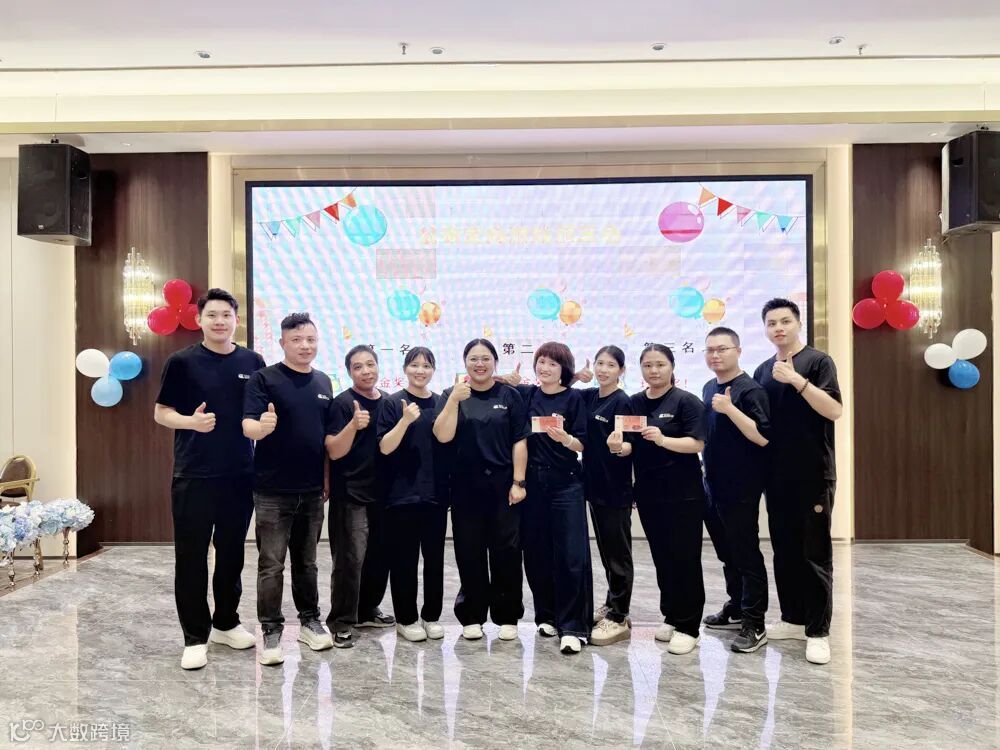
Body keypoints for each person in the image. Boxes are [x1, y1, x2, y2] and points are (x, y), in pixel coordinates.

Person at [154, 288, 265, 671]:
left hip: (239, 473)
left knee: (232, 553)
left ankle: (226, 623)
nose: (220, 321)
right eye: (212, 315)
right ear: (199, 320)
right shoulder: (182, 362)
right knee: (191, 556)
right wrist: (190, 422)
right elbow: (161, 412)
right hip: (193, 474)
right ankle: (194, 637)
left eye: (226, 315)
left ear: (236, 320)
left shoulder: (253, 361)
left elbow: (258, 413)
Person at [753, 298, 843, 666]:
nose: (778, 328)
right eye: (771, 323)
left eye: (785, 321)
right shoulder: (762, 370)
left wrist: (797, 381)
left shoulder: (818, 362)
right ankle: (792, 619)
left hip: (813, 474)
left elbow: (834, 410)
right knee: (785, 551)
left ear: (798, 323)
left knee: (814, 554)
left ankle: (818, 631)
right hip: (776, 477)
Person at [243, 312, 334, 665]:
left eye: (310, 339)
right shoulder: (264, 379)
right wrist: (262, 426)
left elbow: (324, 439)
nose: (304, 346)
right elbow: (248, 426)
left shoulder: (323, 381)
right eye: (296, 340)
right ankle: (270, 629)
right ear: (282, 343)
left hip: (311, 491)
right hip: (272, 491)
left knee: (307, 562)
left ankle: (310, 621)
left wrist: (326, 478)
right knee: (271, 565)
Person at [433, 339, 529, 642]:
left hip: (504, 486)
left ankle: (507, 615)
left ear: (495, 362)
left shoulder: (510, 396)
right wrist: (453, 401)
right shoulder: (452, 394)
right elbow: (442, 436)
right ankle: (472, 615)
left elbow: (519, 440)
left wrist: (519, 482)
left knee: (507, 552)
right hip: (465, 487)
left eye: (485, 358)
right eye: (473, 358)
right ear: (465, 363)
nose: (479, 364)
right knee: (469, 551)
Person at [619, 344, 706, 655]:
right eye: (648, 365)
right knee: (662, 557)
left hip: (684, 493)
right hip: (649, 492)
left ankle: (689, 626)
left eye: (660, 364)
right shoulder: (634, 402)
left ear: (672, 367)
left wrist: (663, 439)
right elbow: (630, 445)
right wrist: (617, 446)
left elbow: (697, 444)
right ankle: (671, 615)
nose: (654, 371)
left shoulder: (686, 401)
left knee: (685, 558)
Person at [513, 342, 592, 655]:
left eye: (552, 364)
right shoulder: (527, 395)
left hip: (566, 485)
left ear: (564, 370)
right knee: (536, 553)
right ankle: (546, 615)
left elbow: (583, 444)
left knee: (571, 556)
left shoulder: (574, 398)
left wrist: (566, 439)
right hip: (533, 485)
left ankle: (572, 627)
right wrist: (508, 378)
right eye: (541, 362)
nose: (544, 368)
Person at [700, 327, 771, 654]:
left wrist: (730, 409)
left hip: (741, 485)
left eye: (722, 349)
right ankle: (737, 606)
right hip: (712, 483)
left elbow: (763, 437)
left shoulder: (750, 390)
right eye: (710, 350)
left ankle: (755, 622)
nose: (715, 355)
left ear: (738, 351)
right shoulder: (708, 387)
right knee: (727, 552)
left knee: (745, 553)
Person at [376, 347, 449, 643]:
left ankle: (431, 616)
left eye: (426, 365)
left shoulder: (441, 402)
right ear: (405, 368)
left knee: (434, 561)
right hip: (401, 495)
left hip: (435, 494)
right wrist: (405, 420)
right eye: (415, 365)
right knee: (404, 561)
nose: (420, 371)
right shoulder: (392, 403)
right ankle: (406, 619)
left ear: (433, 370)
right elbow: (384, 447)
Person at [324, 345, 394, 648]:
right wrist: (353, 425)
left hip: (384, 493)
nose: (366, 371)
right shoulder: (342, 404)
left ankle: (367, 610)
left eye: (370, 364)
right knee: (349, 561)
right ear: (349, 372)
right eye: (358, 367)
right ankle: (341, 621)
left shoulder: (390, 401)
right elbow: (333, 450)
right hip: (351, 493)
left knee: (380, 556)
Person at [580, 345, 635, 647]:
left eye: (611, 365)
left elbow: (630, 445)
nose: (603, 370)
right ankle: (612, 602)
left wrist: (620, 448)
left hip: (615, 489)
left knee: (618, 554)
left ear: (621, 371)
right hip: (594, 486)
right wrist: (575, 376)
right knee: (606, 550)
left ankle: (619, 616)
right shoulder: (590, 396)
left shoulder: (623, 401)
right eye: (600, 363)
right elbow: (561, 392)